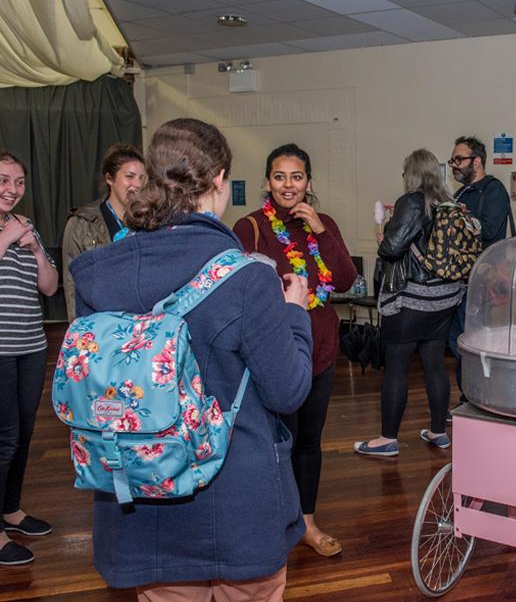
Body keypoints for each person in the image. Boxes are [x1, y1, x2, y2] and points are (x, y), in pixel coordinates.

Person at [70, 119, 313, 600]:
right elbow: (288, 390)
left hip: (140, 496)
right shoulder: (247, 278)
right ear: (219, 178)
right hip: (234, 500)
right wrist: (295, 316)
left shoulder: (101, 275)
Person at [232, 143, 356, 558]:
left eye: (297, 176)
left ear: (308, 182)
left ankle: (306, 523)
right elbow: (237, 289)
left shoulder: (323, 224)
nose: (289, 185)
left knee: (309, 441)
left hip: (319, 348)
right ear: (267, 182)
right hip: (273, 351)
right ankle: (271, 522)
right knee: (273, 441)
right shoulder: (249, 227)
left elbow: (342, 280)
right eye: (280, 176)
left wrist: (323, 232)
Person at [353, 149, 465, 457]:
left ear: (412, 174)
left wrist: (385, 232)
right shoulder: (450, 204)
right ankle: (438, 432)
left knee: (397, 368)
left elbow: (391, 249)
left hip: (412, 299)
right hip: (445, 298)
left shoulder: (412, 202)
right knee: (434, 364)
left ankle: (387, 439)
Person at [0, 152, 58, 566]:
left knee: (22, 437)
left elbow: (51, 287)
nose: (12, 190)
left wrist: (35, 248)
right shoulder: (9, 230)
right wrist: (7, 238)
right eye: (4, 181)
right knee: (2, 441)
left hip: (31, 347)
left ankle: (11, 510)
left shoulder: (25, 228)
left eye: (19, 182)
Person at [446, 136, 514, 401]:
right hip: (459, 280)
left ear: (477, 161)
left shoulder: (494, 190)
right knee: (457, 339)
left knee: (475, 341)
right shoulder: (460, 193)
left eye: (459, 159)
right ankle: (469, 396)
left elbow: (488, 230)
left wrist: (457, 221)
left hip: (483, 281)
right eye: (452, 160)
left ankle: (478, 397)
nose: (454, 165)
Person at [62, 144, 145, 320]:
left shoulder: (149, 221)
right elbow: (72, 284)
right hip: (99, 320)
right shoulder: (82, 222)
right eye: (130, 177)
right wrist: (77, 329)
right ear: (109, 178)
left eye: (141, 178)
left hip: (140, 322)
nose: (137, 184)